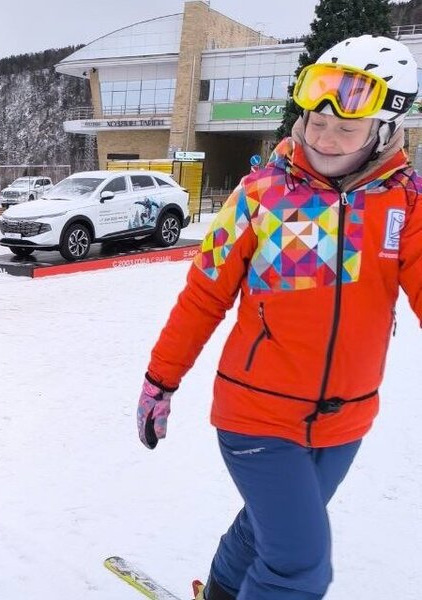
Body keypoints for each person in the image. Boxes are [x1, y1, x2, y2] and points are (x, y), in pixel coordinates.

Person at [136, 35, 422, 600]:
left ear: (385, 130)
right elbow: (203, 295)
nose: (325, 138)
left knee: (263, 528)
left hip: (346, 420)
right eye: (317, 121)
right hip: (256, 414)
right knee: (298, 564)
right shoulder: (259, 195)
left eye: (347, 129)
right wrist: (159, 380)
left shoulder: (406, 203)